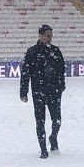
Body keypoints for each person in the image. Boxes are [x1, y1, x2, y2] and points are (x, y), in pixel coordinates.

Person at [20, 24, 66, 159]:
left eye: (51, 36)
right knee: (40, 121)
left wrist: (61, 86)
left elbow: (61, 70)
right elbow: (25, 72)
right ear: (40, 35)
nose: (50, 38)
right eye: (47, 36)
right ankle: (43, 148)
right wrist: (24, 92)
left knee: (57, 119)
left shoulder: (56, 51)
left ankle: (53, 137)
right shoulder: (32, 52)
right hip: (39, 91)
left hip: (54, 91)